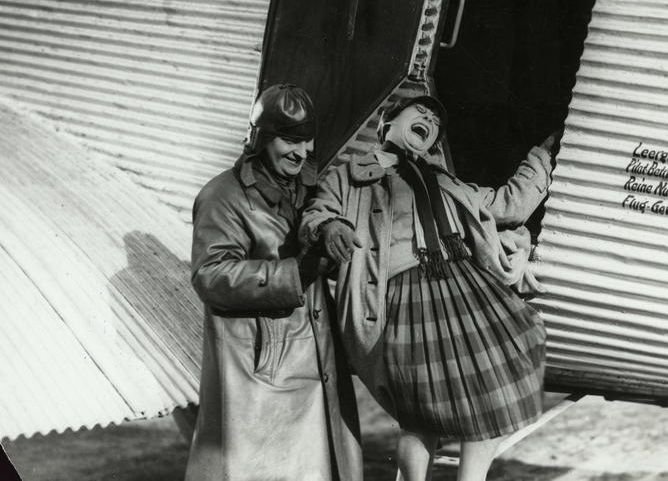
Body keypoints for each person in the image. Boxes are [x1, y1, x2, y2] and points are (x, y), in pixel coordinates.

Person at [300, 95, 556, 481]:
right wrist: (329, 226)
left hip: (466, 288)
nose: (429, 119)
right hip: (406, 295)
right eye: (419, 112)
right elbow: (317, 211)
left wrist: (542, 156)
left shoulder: (447, 182)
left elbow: (511, 204)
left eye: (435, 120)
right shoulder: (349, 175)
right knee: (420, 414)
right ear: (387, 124)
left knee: (496, 394)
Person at [185, 84, 362, 481]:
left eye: (306, 140)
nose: (301, 152)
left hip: (315, 359)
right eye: (289, 140)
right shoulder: (222, 197)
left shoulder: (310, 190)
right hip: (261, 371)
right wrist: (294, 273)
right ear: (261, 139)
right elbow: (210, 276)